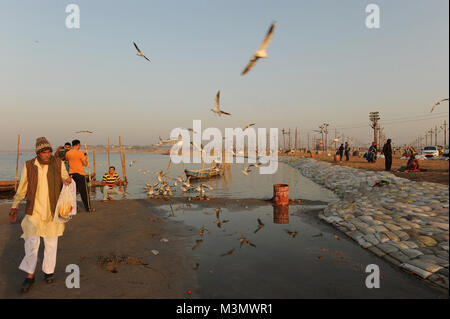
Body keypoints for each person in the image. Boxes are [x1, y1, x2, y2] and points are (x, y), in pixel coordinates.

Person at [9, 137, 72, 293]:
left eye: (49, 151)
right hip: (34, 211)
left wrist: (67, 180)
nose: (47, 154)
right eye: (44, 152)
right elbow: (22, 188)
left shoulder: (58, 163)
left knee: (51, 243)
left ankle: (48, 271)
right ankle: (30, 275)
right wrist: (15, 206)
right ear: (38, 152)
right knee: (31, 244)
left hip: (52, 210)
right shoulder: (29, 165)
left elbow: (65, 177)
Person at [65, 140, 94, 212]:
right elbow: (85, 164)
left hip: (71, 174)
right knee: (84, 192)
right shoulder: (80, 153)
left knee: (73, 192)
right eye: (79, 145)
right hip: (80, 174)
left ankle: (74, 208)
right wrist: (85, 157)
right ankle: (88, 208)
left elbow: (69, 162)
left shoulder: (68, 153)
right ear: (78, 145)